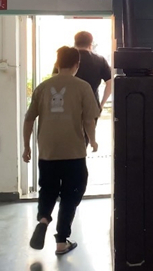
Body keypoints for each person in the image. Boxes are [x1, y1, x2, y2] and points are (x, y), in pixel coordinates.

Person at [22, 46, 100, 256]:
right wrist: (93, 140)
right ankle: (61, 241)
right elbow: (89, 120)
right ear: (77, 65)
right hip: (73, 151)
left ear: (57, 64)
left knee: (47, 189)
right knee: (70, 194)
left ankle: (43, 219)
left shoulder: (43, 87)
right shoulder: (82, 87)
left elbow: (29, 119)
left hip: (48, 151)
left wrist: (26, 146)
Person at [73, 31, 112, 110]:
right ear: (90, 44)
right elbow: (110, 83)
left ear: (75, 43)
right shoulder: (100, 60)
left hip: (69, 105)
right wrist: (101, 105)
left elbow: (55, 79)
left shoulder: (65, 59)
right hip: (92, 105)